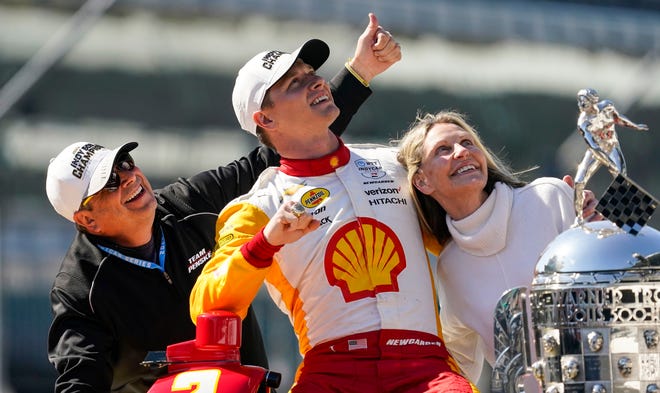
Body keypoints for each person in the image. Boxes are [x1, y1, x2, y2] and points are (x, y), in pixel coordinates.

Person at [45, 13, 401, 393]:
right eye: (109, 182)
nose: (129, 178)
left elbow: (279, 151)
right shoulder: (81, 288)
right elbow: (78, 381)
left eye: (125, 163)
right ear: (88, 220)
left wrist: (360, 71)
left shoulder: (186, 204)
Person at [189, 34, 477, 393]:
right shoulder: (257, 207)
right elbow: (206, 305)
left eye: (311, 72)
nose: (316, 81)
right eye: (296, 82)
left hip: (426, 369)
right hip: (332, 373)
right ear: (266, 118)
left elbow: (472, 228)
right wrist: (265, 243)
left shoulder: (398, 165)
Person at [396, 110, 599, 390]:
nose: (461, 152)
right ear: (422, 181)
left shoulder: (549, 197)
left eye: (468, 143)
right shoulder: (451, 267)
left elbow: (612, 279)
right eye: (444, 149)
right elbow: (457, 362)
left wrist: (602, 226)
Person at [573, 87, 649, 224]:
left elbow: (619, 119)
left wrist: (635, 126)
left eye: (583, 101)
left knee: (621, 177)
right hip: (596, 152)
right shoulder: (583, 122)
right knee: (579, 181)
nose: (580, 105)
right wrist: (609, 163)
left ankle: (626, 219)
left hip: (612, 146)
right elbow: (594, 146)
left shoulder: (607, 106)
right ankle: (578, 218)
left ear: (592, 101)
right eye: (579, 101)